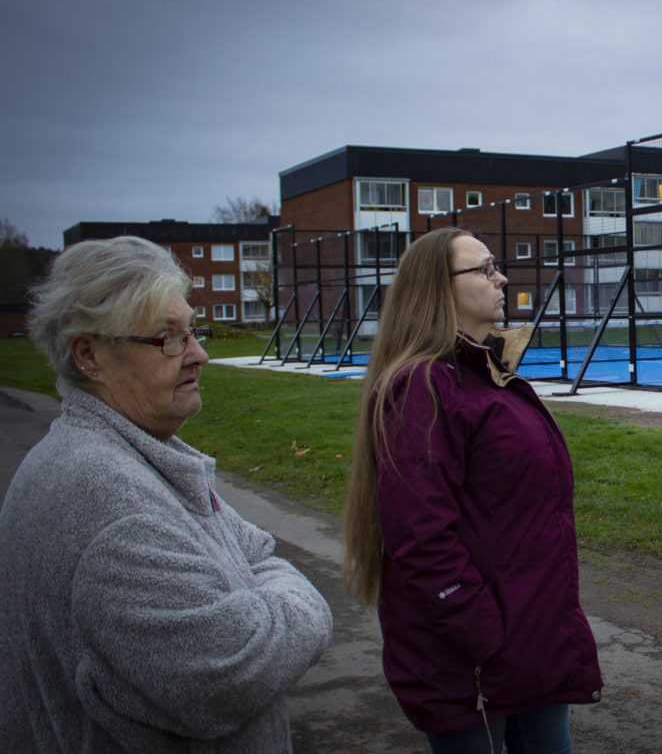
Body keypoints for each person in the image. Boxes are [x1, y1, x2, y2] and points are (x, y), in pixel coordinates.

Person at [0, 236, 333, 752]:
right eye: (167, 338)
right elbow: (234, 671)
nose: (198, 354)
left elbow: (258, 549)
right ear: (89, 354)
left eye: (191, 332)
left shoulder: (125, 458)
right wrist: (298, 602)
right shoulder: (111, 507)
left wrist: (253, 590)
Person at [343, 227, 602, 753]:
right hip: (476, 660)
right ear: (440, 288)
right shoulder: (424, 386)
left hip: (530, 641)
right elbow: (420, 537)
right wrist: (482, 632)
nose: (500, 277)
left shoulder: (481, 375)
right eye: (485, 269)